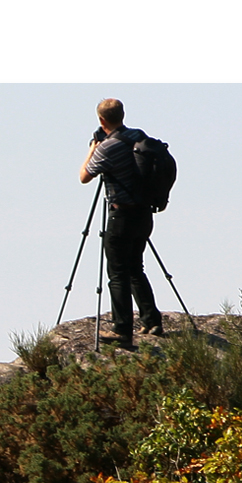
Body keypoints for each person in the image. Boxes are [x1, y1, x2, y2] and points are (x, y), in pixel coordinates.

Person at [79, 98, 162, 346]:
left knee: (117, 273)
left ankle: (122, 329)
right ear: (122, 115)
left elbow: (84, 176)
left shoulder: (108, 147)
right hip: (145, 213)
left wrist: (93, 149)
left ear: (101, 120)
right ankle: (152, 320)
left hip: (122, 215)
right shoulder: (139, 137)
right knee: (136, 267)